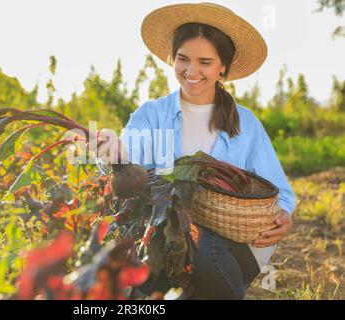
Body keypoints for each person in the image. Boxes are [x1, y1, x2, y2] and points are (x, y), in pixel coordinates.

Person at [97, 2, 296, 299]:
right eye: (183, 59)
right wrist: (110, 150)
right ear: (173, 59)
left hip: (235, 244)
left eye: (205, 62)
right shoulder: (151, 114)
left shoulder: (246, 123)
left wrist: (285, 217)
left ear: (222, 67)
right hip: (168, 239)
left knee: (203, 246)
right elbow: (129, 154)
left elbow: (281, 193)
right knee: (144, 291)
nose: (191, 71)